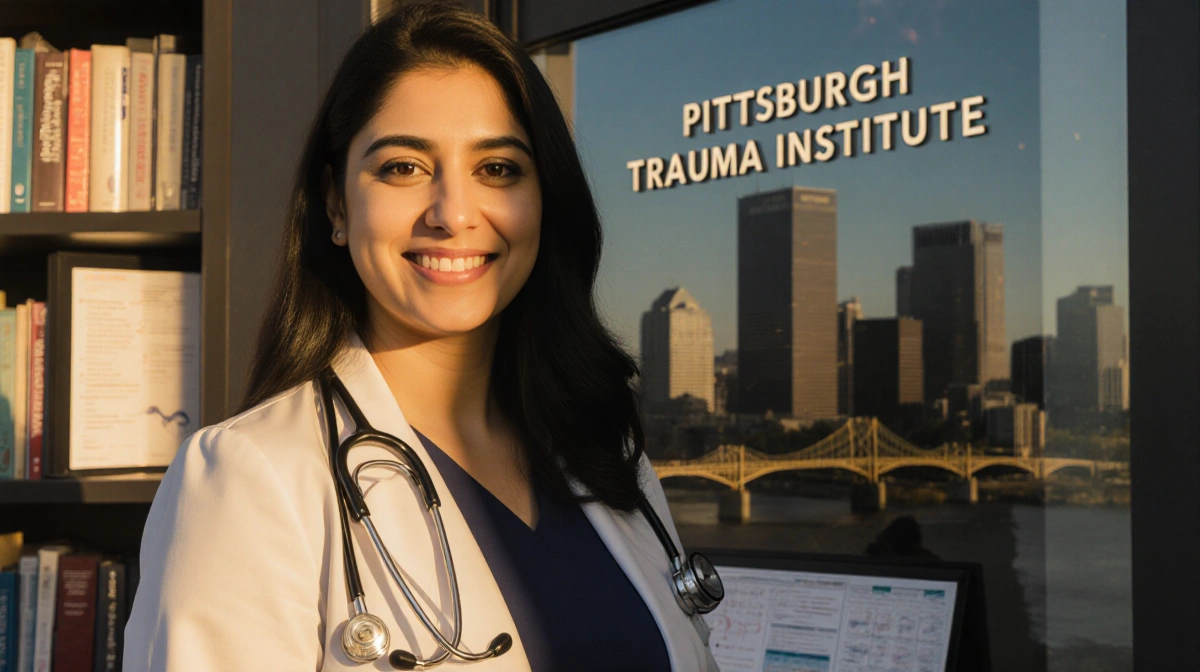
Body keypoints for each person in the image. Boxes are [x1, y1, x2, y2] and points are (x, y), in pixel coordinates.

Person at [123, 3, 719, 670]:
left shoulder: (608, 454)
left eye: (498, 169)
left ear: (545, 201)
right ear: (336, 205)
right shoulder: (249, 480)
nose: (454, 214)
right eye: (403, 167)